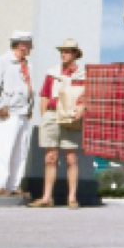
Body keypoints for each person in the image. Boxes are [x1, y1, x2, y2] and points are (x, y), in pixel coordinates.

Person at [29, 39, 85, 210]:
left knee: (71, 158)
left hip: (70, 116)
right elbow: (44, 96)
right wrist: (45, 116)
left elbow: (86, 96)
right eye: (62, 51)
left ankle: (72, 197)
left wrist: (81, 109)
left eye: (67, 51)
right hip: (53, 115)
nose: (64, 54)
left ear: (75, 53)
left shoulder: (82, 75)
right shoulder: (52, 73)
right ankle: (46, 197)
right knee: (50, 157)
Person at [0, 31, 34, 196]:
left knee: (20, 151)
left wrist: (30, 107)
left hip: (23, 113)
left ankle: (13, 186)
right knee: (3, 149)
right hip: (9, 113)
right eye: (29, 43)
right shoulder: (4, 62)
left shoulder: (27, 65)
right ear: (21, 45)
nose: (32, 47)